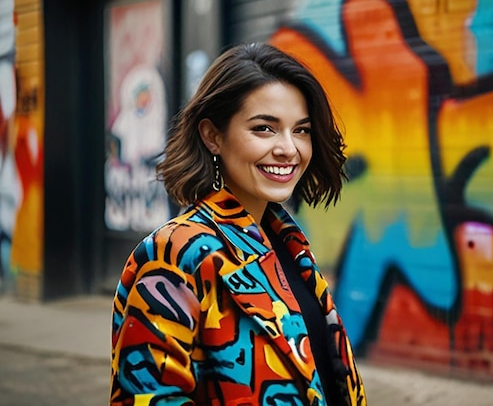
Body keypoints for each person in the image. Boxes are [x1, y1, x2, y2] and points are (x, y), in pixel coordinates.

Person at [110, 42, 367, 406]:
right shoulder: (174, 255)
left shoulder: (287, 244)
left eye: (302, 130)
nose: (289, 149)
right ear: (213, 136)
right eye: (265, 129)